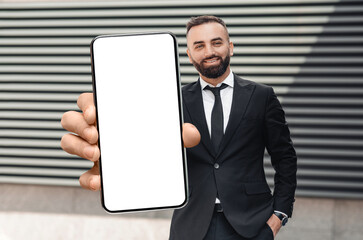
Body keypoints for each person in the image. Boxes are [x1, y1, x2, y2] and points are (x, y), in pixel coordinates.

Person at [61, 15, 297, 240]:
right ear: (189, 54)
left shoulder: (262, 96)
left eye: (216, 43)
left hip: (252, 224)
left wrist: (278, 216)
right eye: (199, 45)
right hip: (191, 225)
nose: (210, 52)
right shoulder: (171, 99)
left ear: (230, 46)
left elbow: (285, 158)